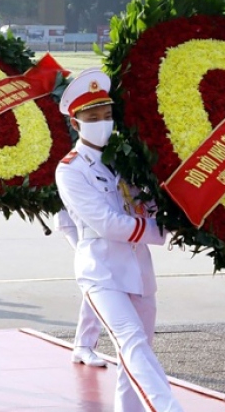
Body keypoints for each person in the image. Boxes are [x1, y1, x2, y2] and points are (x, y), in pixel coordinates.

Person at [55, 68, 182, 412]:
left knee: (136, 355)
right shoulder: (70, 169)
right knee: (132, 342)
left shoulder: (126, 158)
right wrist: (159, 232)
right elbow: (107, 223)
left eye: (107, 115)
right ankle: (169, 407)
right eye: (92, 117)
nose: (102, 122)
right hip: (102, 271)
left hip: (139, 270)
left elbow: (148, 203)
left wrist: (176, 217)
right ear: (75, 124)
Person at [54, 209, 106, 367]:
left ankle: (84, 345)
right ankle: (83, 345)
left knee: (99, 276)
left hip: (98, 222)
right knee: (97, 276)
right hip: (78, 221)